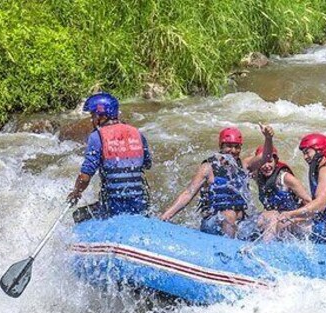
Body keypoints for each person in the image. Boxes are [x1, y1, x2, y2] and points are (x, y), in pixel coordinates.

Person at [160, 125, 274, 238]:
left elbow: (266, 157)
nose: (233, 151)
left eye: (237, 147)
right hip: (213, 223)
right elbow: (188, 193)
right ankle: (230, 250)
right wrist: (165, 216)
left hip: (240, 223)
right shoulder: (208, 168)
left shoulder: (244, 166)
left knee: (271, 216)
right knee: (229, 215)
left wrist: (268, 138)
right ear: (221, 146)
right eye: (229, 146)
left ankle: (265, 250)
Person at [68, 92, 152, 222]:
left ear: (101, 116)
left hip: (114, 206)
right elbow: (147, 164)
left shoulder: (97, 137)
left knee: (78, 215)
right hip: (141, 203)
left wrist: (76, 193)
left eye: (92, 115)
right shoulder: (137, 133)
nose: (92, 120)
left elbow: (85, 177)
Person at [252, 146, 312, 241]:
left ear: (276, 161)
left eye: (270, 161)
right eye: (263, 162)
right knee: (259, 220)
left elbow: (309, 203)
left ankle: (266, 247)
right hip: (276, 217)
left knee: (273, 216)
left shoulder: (286, 178)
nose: (266, 166)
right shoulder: (258, 176)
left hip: (293, 218)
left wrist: (294, 217)